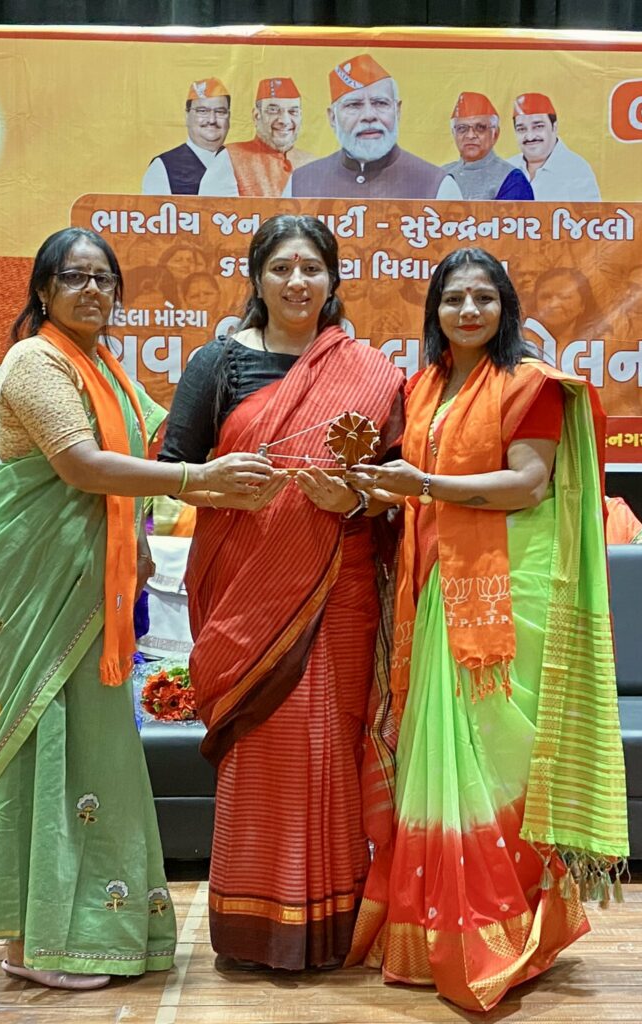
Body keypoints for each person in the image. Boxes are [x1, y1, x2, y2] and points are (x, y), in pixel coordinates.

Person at [0, 227, 272, 991]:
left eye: (104, 279)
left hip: (90, 590)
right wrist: (197, 483)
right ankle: (30, 944)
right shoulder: (36, 361)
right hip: (31, 589)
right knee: (42, 748)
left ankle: (92, 931)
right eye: (75, 277)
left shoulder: (107, 370)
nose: (92, 290)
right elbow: (83, 466)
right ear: (44, 291)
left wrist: (251, 383)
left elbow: (166, 435)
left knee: (94, 756)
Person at [346, 248, 628, 1011]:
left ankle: (505, 933)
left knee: (499, 758)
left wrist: (424, 485)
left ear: (506, 308)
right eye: (453, 298)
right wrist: (376, 490)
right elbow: (416, 487)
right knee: (441, 754)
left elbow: (528, 483)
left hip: (508, 593)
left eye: (483, 298)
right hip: (439, 584)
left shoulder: (530, 386)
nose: (468, 311)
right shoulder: (424, 388)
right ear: (434, 310)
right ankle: (436, 931)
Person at [159, 214, 405, 971]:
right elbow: (172, 470)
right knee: (264, 748)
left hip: (339, 588)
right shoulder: (218, 363)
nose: (297, 282)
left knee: (332, 744)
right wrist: (217, 484)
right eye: (281, 268)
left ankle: (332, 924)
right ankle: (256, 924)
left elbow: (395, 487)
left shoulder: (371, 371)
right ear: (257, 278)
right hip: (246, 591)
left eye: (311, 268)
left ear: (333, 279)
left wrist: (355, 501)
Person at [288, 55, 461, 200]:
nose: (369, 115)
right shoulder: (299, 184)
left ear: (397, 111)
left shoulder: (437, 185)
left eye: (380, 103)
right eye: (354, 105)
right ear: (332, 117)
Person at [198, 78, 314, 197]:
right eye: (273, 110)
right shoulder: (230, 158)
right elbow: (208, 207)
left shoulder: (311, 162)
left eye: (293, 112)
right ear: (256, 115)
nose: (284, 121)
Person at [142, 78, 231, 195]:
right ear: (187, 116)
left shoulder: (238, 161)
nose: (212, 120)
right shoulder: (162, 167)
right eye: (202, 111)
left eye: (220, 112)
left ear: (229, 117)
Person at [508, 93, 601, 201]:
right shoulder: (507, 168)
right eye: (521, 129)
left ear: (554, 127)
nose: (530, 136)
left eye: (538, 126)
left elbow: (591, 211)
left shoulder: (576, 170)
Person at [442, 92, 533, 201]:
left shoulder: (512, 179)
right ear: (454, 133)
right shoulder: (442, 175)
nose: (470, 135)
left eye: (480, 128)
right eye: (462, 128)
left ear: (495, 134)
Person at [532, 266, 601, 341]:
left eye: (564, 297)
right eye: (545, 297)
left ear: (582, 305)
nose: (553, 304)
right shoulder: (526, 341)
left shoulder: (600, 342)